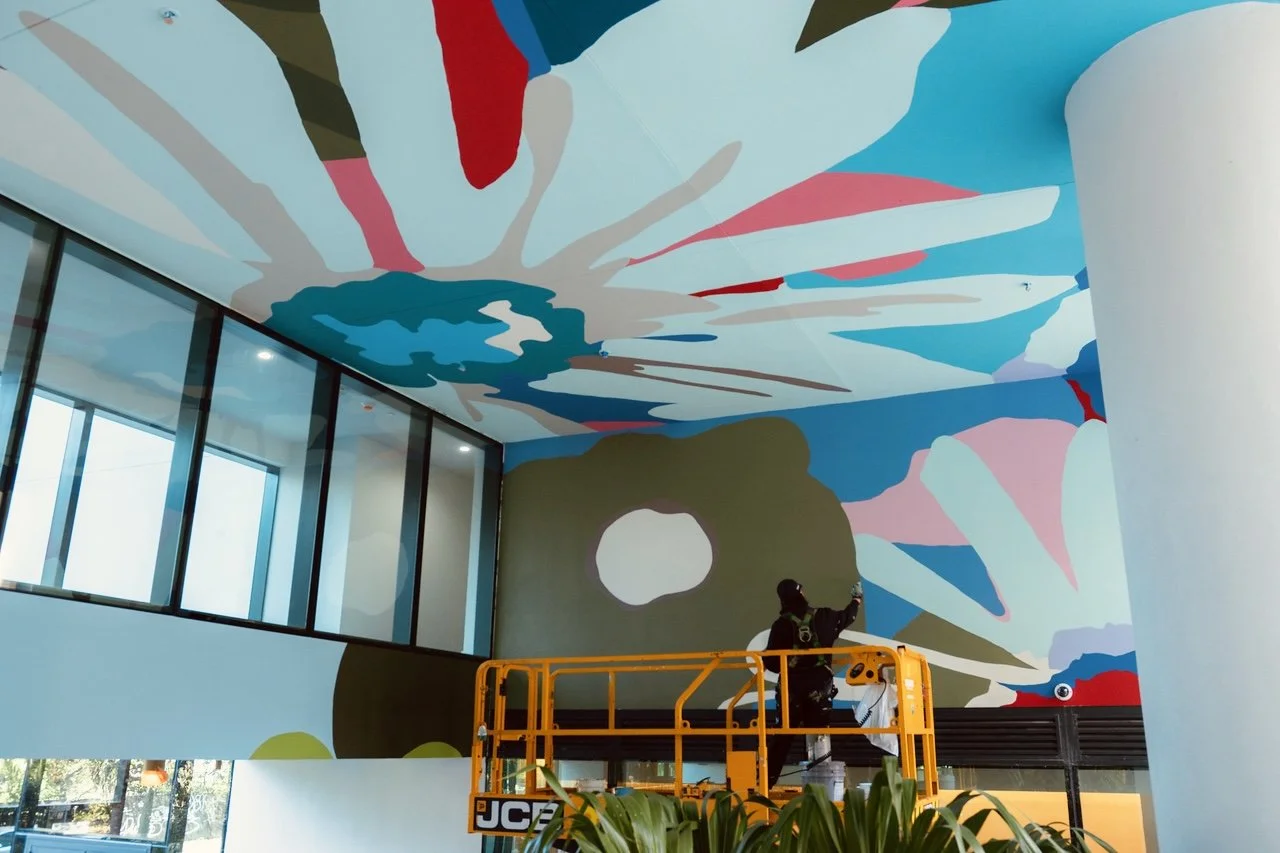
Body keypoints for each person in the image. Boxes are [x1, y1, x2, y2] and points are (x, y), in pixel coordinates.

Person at [762, 578, 862, 789]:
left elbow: (770, 662)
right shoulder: (825, 616)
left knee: (782, 739)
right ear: (802, 593)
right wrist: (856, 599)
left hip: (791, 691)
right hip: (819, 690)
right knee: (819, 737)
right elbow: (848, 616)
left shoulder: (780, 626)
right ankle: (823, 790)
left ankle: (763, 784)